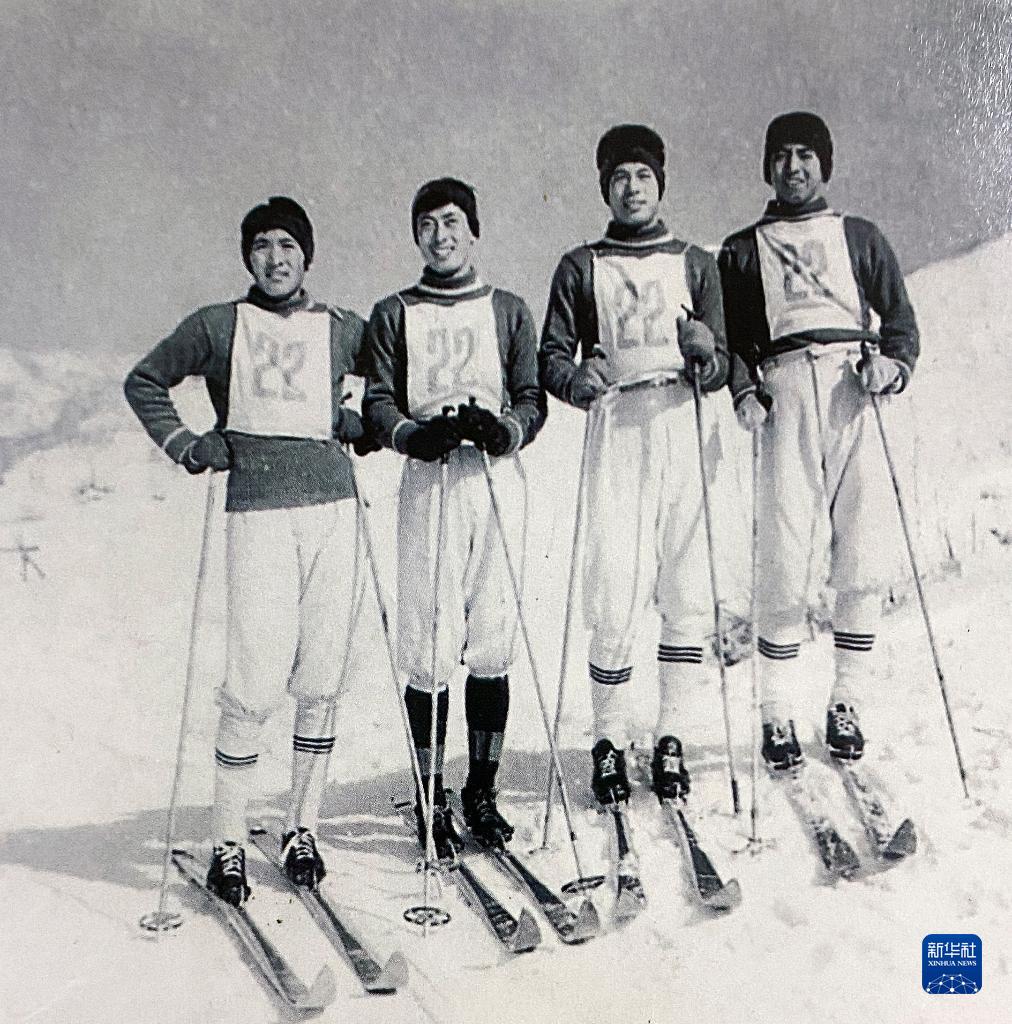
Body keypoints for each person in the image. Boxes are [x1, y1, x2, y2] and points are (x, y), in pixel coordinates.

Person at [125, 196, 376, 905]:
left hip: (333, 510)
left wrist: (363, 419)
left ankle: (302, 827)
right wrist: (186, 444)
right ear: (248, 257)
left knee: (322, 673)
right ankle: (228, 838)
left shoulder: (341, 327)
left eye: (288, 245)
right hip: (259, 513)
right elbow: (145, 380)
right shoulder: (219, 324)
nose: (275, 258)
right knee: (255, 679)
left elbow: (394, 376)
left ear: (307, 256)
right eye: (262, 245)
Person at [718, 111, 919, 770]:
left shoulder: (858, 235)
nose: (794, 167)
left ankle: (847, 700)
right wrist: (744, 390)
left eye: (806, 154)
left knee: (861, 545)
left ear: (824, 165)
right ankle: (776, 709)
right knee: (782, 551)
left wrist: (891, 366)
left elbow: (901, 323)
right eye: (782, 155)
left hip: (850, 385)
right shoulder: (743, 249)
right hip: (784, 392)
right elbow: (735, 340)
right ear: (767, 167)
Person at [540, 125, 729, 807]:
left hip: (682, 418)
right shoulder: (581, 264)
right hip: (618, 421)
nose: (631, 188)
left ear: (660, 183)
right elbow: (552, 356)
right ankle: (609, 739)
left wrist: (707, 355)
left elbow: (724, 362)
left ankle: (671, 733)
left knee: (686, 582)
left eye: (643, 175)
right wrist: (576, 380)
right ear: (605, 188)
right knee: (614, 583)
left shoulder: (694, 261)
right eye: (619, 177)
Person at [363, 178, 544, 856]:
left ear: (473, 231)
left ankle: (482, 789)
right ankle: (431, 791)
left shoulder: (507, 309)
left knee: (493, 633)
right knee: (431, 638)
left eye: (451, 222)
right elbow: (378, 400)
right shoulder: (395, 311)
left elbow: (530, 396)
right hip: (431, 476)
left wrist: (505, 430)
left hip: (492, 476)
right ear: (417, 236)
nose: (441, 236)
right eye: (428, 225)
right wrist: (412, 434)